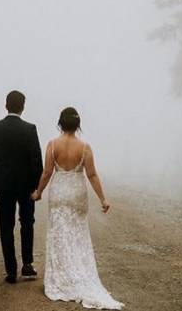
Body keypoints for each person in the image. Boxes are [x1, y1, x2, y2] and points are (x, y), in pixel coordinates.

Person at [32, 107, 123, 309]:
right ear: (77, 125)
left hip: (59, 193)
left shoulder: (52, 145)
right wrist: (103, 199)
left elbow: (47, 172)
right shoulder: (84, 147)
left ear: (60, 123)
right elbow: (91, 175)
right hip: (76, 193)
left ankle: (61, 277)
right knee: (78, 234)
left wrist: (38, 192)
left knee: (59, 233)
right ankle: (79, 274)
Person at [0, 90, 44, 284]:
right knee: (27, 222)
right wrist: (37, 187)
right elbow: (36, 160)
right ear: (23, 107)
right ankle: (27, 265)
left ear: (6, 105)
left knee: (6, 225)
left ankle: (10, 270)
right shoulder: (30, 129)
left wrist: (0, 175)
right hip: (26, 185)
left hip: (3, 184)